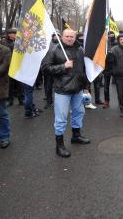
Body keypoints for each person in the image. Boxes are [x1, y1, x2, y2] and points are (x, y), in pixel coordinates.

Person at [41, 29, 90, 158]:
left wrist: (85, 86)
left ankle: (76, 135)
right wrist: (63, 66)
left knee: (79, 112)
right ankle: (59, 146)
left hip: (77, 89)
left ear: (75, 37)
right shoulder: (54, 50)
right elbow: (45, 69)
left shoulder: (80, 49)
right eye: (67, 36)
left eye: (72, 36)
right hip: (62, 90)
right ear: (62, 37)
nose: (69, 38)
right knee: (61, 118)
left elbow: (82, 70)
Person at [0, 43, 11, 148]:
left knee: (2, 114)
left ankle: (4, 137)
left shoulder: (5, 50)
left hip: (0, 87)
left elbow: (4, 67)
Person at [43, 32, 60, 109]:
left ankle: (60, 102)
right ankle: (49, 101)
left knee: (59, 86)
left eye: (58, 36)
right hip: (49, 69)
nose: (56, 37)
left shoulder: (62, 45)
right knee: (48, 86)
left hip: (59, 68)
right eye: (55, 36)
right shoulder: (47, 44)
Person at [102, 31, 117, 108]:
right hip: (107, 68)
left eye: (112, 35)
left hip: (115, 68)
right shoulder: (104, 45)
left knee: (119, 87)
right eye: (109, 35)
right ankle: (106, 101)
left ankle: (121, 101)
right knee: (106, 87)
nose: (111, 36)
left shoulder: (117, 44)